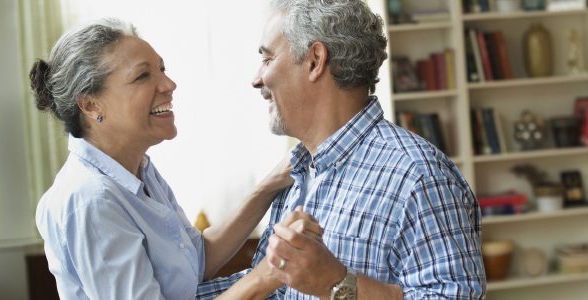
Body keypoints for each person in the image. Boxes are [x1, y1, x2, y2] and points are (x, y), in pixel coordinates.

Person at [196, 0, 486, 299]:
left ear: (314, 60)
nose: (257, 78)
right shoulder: (298, 174)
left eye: (268, 59)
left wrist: (336, 282)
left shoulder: (418, 175)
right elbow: (276, 288)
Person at [30, 17, 322, 299]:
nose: (169, 84)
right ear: (92, 105)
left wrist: (271, 183)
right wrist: (270, 273)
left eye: (162, 69)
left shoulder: (139, 169)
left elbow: (197, 258)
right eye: (143, 75)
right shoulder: (90, 201)